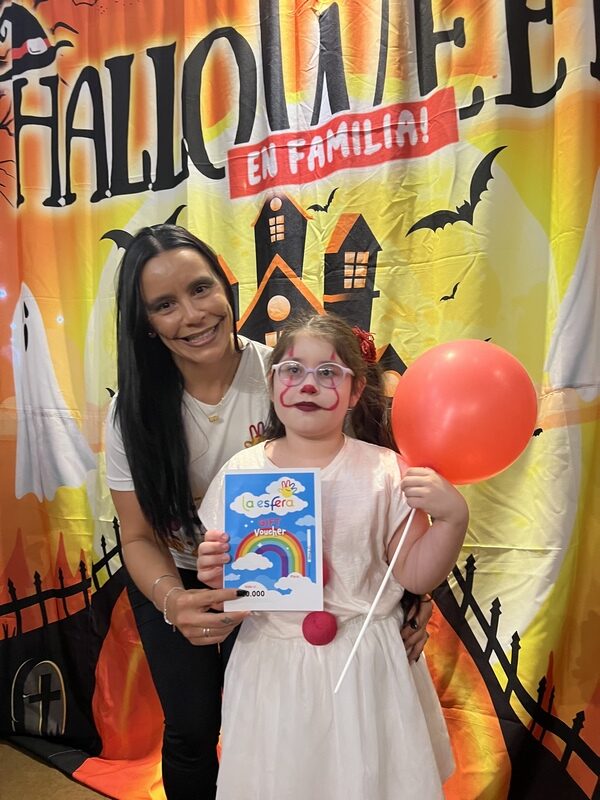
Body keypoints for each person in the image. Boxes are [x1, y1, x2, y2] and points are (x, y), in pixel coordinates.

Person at [104, 224, 432, 800]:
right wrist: (173, 598)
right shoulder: (131, 414)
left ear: (225, 287)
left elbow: (372, 493)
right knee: (190, 729)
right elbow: (136, 536)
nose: (193, 314)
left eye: (201, 288)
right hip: (179, 574)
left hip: (286, 580)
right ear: (146, 323)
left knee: (280, 726)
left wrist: (412, 593)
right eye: (164, 304)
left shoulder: (291, 371)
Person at [197, 312, 469, 800]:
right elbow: (235, 596)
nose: (309, 384)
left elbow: (413, 574)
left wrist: (452, 519)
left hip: (366, 663)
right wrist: (217, 577)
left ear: (355, 390)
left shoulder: (386, 471)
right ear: (273, 381)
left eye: (328, 372)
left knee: (371, 781)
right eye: (293, 370)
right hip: (273, 667)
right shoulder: (243, 473)